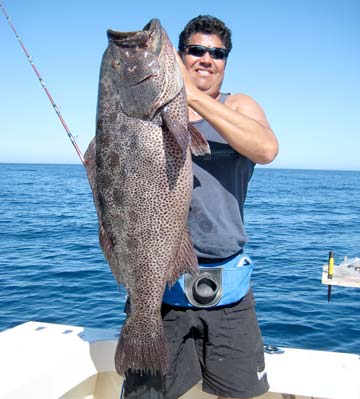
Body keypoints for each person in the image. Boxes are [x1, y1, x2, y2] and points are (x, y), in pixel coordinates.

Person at [123, 15, 279, 399]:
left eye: (217, 53)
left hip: (229, 295)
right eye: (196, 50)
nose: (206, 58)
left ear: (225, 61)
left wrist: (190, 96)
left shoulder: (239, 105)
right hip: (161, 289)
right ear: (178, 57)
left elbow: (266, 148)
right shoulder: (152, 112)